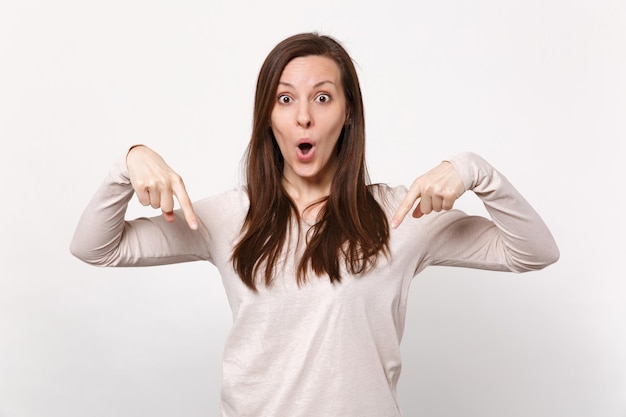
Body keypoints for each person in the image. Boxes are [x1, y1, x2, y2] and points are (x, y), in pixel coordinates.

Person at [70, 32, 559, 417]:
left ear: (348, 114)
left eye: (322, 98)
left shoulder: (401, 215)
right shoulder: (227, 217)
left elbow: (534, 252)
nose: (303, 116)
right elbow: (97, 247)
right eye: (285, 100)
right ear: (267, 117)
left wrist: (475, 170)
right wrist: (128, 162)